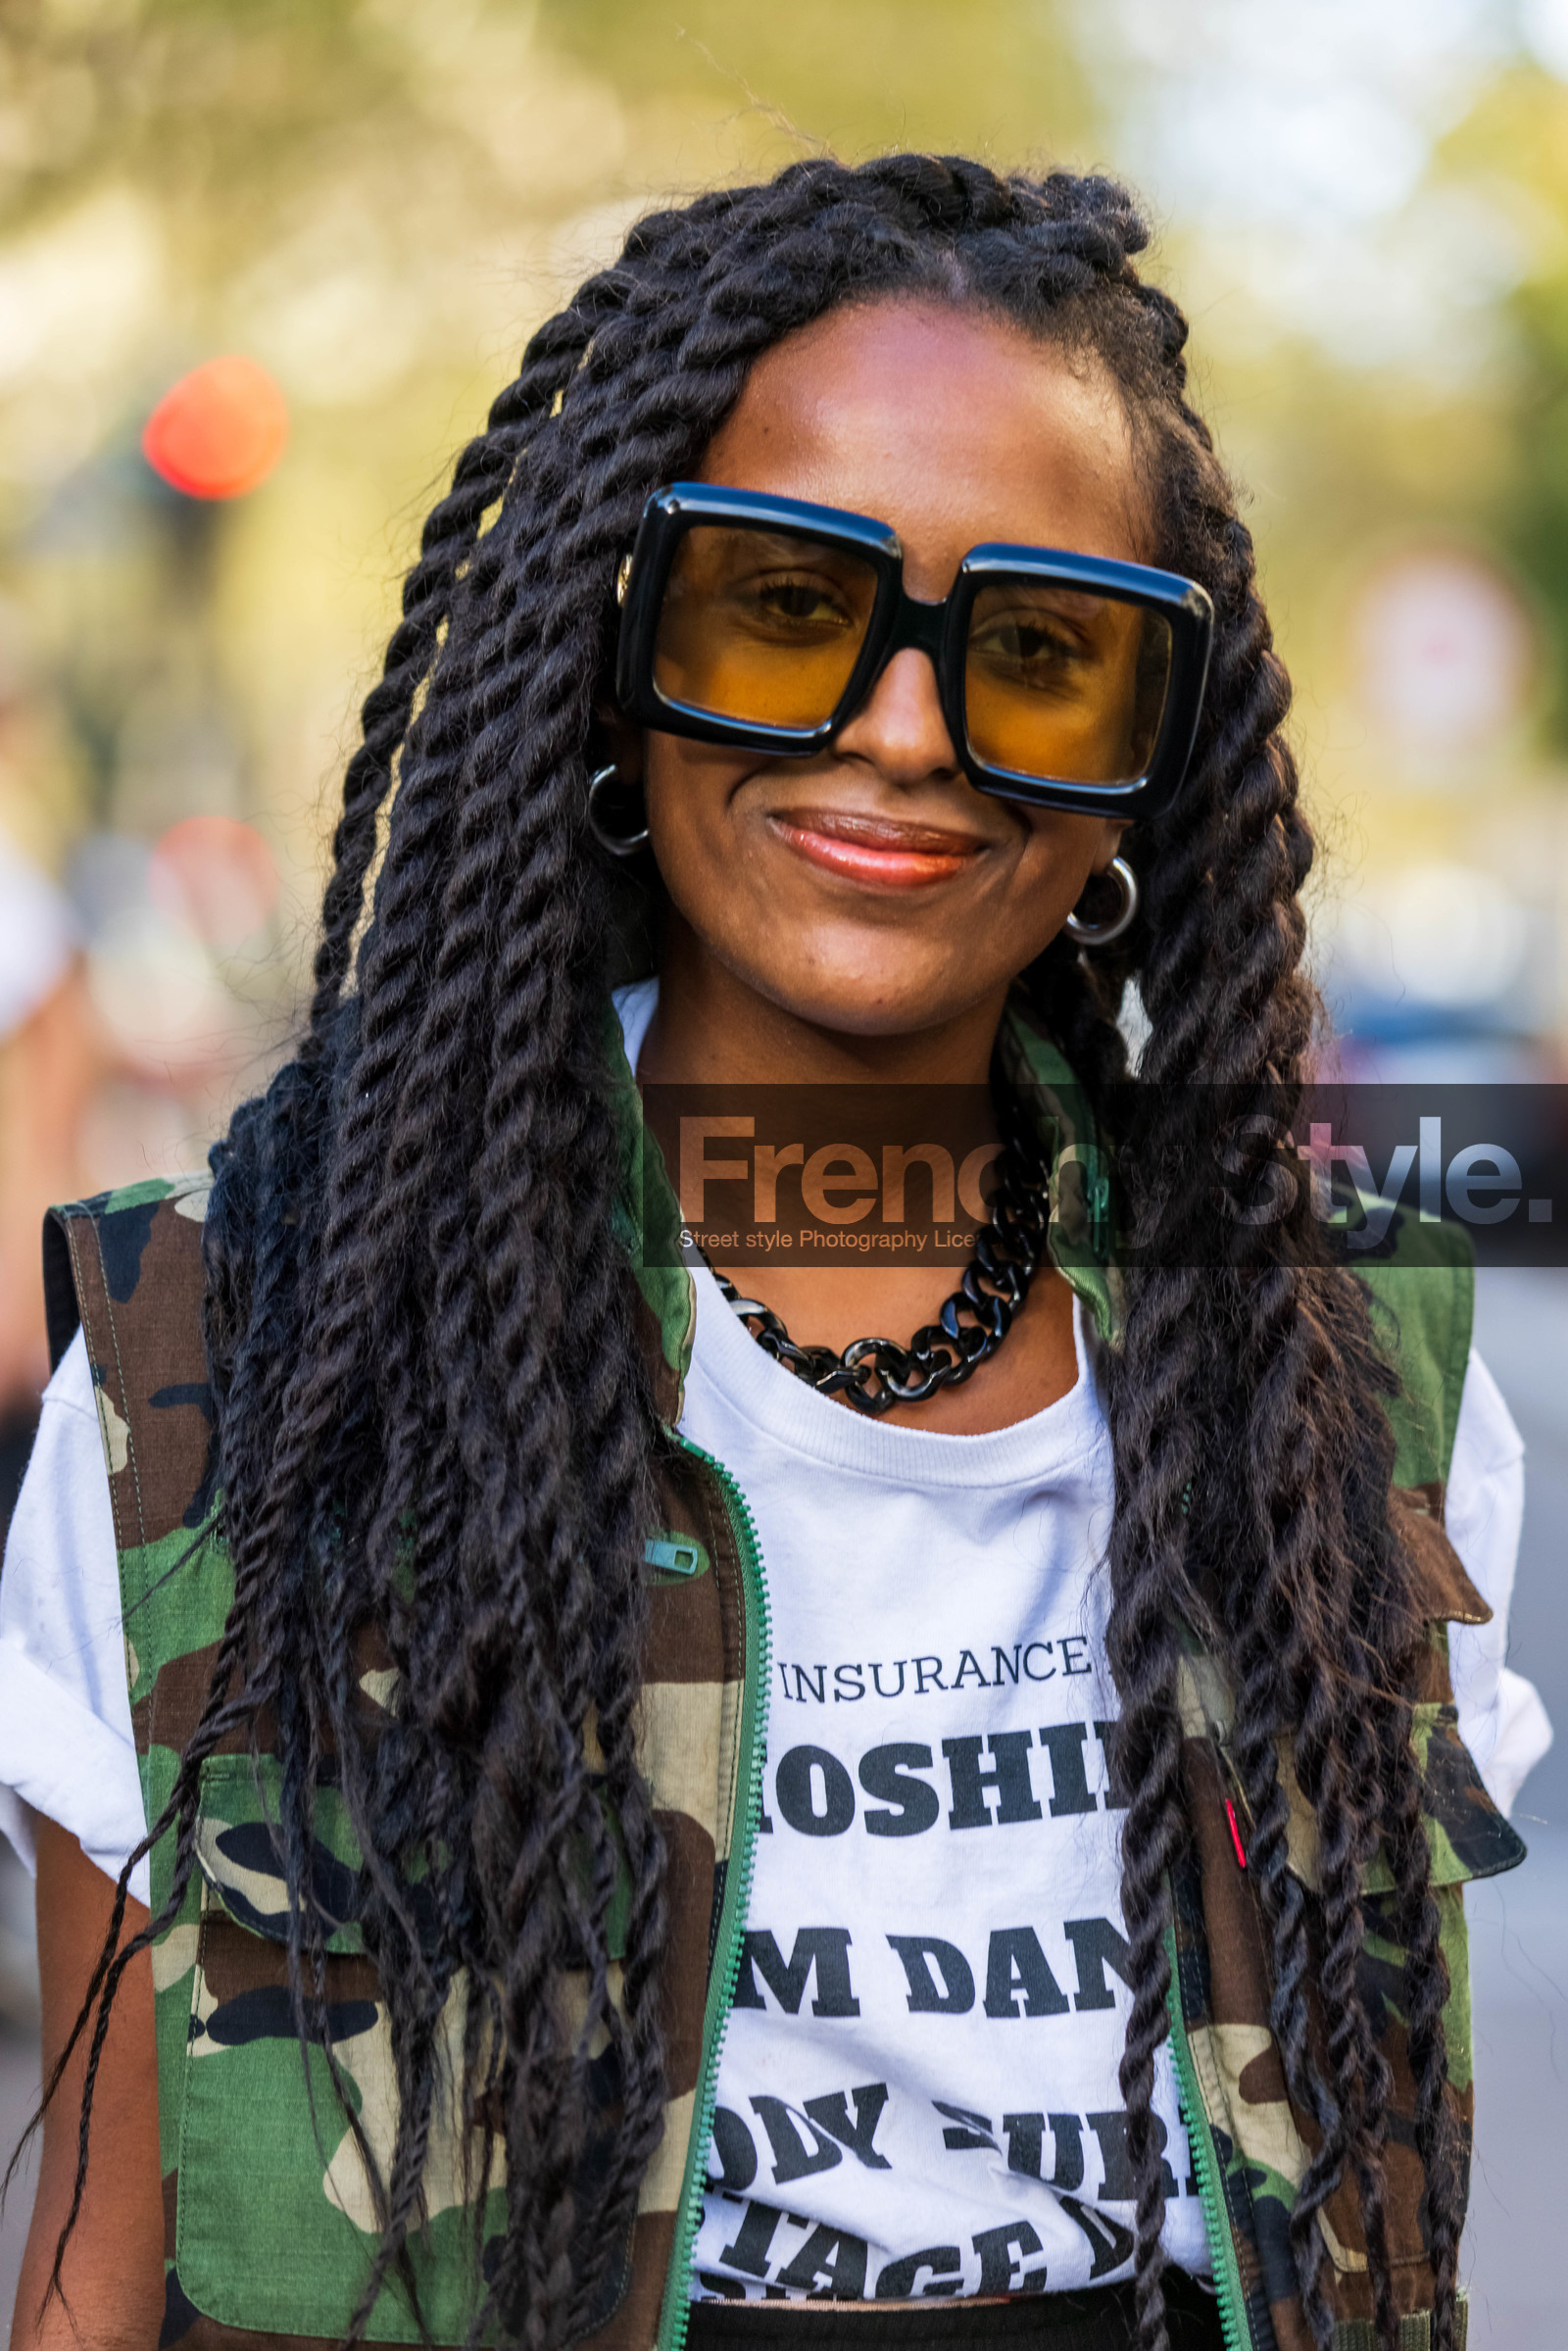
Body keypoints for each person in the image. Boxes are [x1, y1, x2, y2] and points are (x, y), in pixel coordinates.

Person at [0, 155, 1550, 2351]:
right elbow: (101, 2272)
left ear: (1149, 760)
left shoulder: (1335, 1360)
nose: (903, 730)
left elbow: (1383, 2212)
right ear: (612, 663)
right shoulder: (230, 1364)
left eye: (1039, 653)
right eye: (781, 607)